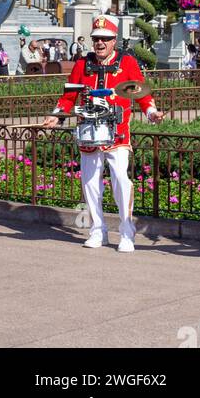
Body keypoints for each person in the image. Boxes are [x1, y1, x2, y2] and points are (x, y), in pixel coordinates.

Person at [42, 14, 162, 252]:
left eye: (105, 39)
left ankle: (127, 233)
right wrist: (56, 115)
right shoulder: (81, 64)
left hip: (117, 134)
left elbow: (140, 93)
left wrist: (151, 111)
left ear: (113, 40)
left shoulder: (127, 62)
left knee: (120, 181)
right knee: (90, 184)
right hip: (89, 133)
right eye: (97, 39)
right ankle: (98, 231)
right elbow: (68, 96)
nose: (100, 43)